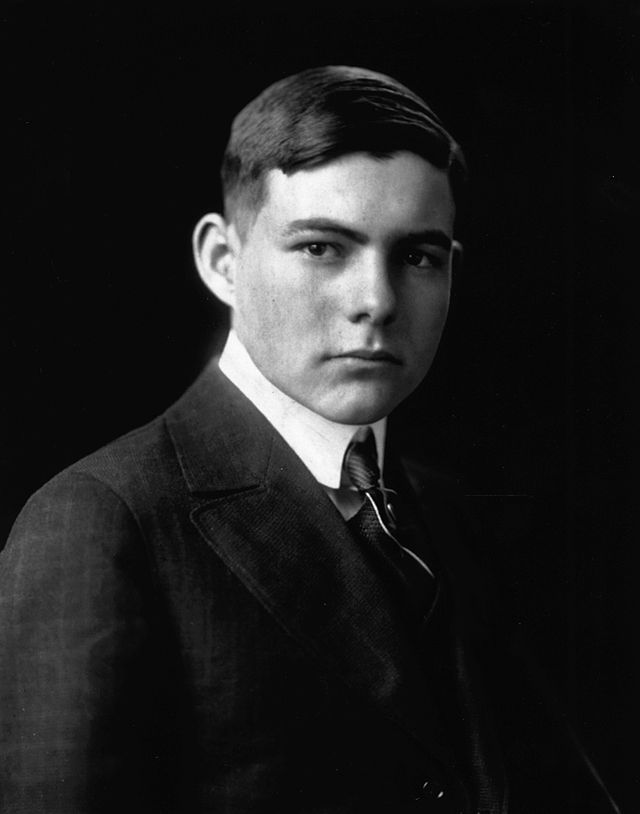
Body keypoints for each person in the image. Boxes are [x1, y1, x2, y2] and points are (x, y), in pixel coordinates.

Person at [0, 66, 617, 814]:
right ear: (222, 261)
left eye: (417, 256)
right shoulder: (99, 522)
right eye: (323, 248)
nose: (377, 302)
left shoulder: (456, 518)